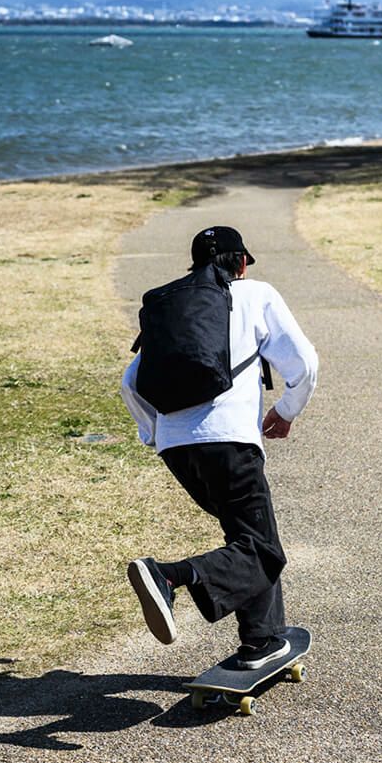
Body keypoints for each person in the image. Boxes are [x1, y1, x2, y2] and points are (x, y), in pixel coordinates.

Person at [121, 225, 318, 669]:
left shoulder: (179, 310)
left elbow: (130, 383)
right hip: (229, 441)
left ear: (194, 266)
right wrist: (286, 411)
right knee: (264, 552)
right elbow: (304, 362)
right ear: (241, 263)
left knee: (248, 538)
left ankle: (262, 640)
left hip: (177, 449)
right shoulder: (254, 294)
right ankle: (170, 576)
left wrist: (157, 435)